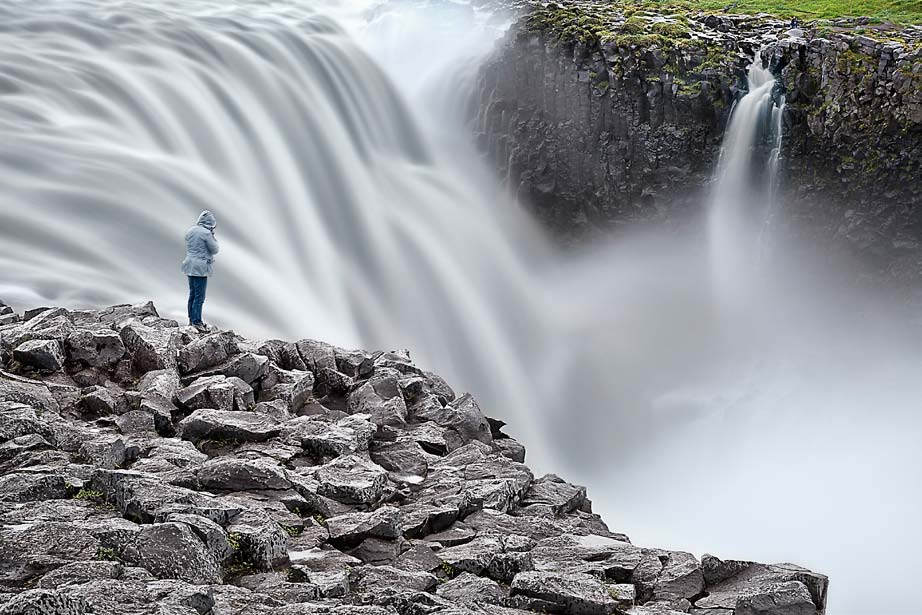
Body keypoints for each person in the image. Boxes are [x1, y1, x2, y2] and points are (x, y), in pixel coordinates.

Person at [181, 210, 219, 331]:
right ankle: (197, 322)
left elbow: (188, 240)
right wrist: (212, 235)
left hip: (189, 264)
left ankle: (191, 320)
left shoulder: (191, 230)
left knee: (192, 294)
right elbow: (214, 249)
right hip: (200, 266)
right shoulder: (207, 233)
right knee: (199, 296)